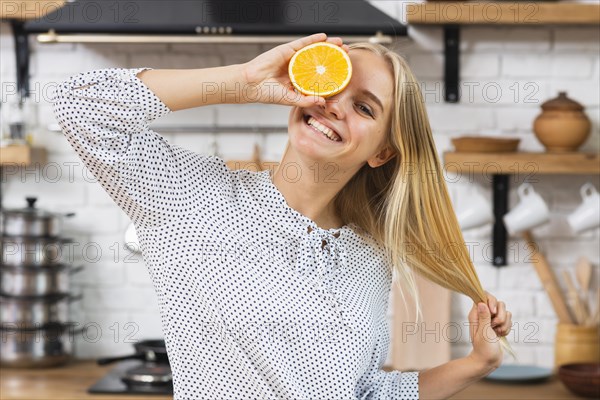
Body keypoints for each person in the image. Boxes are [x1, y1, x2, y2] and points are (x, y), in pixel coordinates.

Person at [52, 33, 513, 399]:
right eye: (332, 86)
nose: (334, 104)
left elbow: (366, 392)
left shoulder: (370, 256)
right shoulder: (191, 199)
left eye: (364, 107)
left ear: (383, 152)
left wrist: (476, 364)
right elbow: (79, 105)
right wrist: (243, 82)